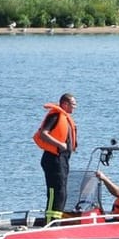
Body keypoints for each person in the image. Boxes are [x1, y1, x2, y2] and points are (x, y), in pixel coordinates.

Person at [33, 92, 77, 220]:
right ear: (65, 104)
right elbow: (43, 134)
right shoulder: (56, 115)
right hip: (53, 159)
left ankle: (56, 222)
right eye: (73, 104)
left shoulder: (65, 118)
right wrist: (59, 144)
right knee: (55, 192)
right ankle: (50, 222)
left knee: (62, 192)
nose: (74, 107)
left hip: (62, 160)